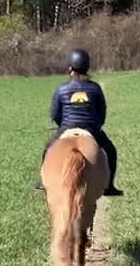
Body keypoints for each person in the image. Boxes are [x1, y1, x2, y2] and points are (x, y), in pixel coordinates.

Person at [33, 48, 123, 196]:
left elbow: (55, 114)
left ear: (70, 67)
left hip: (66, 127)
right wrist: (96, 125)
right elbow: (102, 113)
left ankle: (42, 181)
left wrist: (62, 125)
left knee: (48, 149)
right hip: (91, 130)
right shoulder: (95, 88)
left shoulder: (61, 88)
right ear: (86, 67)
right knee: (111, 150)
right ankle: (110, 186)